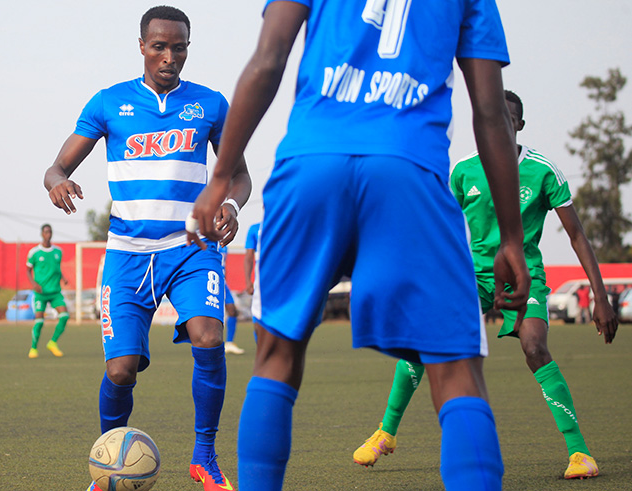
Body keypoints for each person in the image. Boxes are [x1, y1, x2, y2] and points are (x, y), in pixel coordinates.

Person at [188, 1, 532, 489]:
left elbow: (268, 59)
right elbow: (492, 113)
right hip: (407, 166)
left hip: (310, 164)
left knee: (276, 357)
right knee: (456, 373)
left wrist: (220, 175)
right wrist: (511, 237)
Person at [353, 90, 618, 480]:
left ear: (519, 125)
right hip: (468, 275)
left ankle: (578, 451)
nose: (497, 123)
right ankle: (386, 433)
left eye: (506, 118)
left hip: (524, 275)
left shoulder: (542, 170)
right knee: (420, 340)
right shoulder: (463, 171)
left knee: (534, 347)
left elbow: (576, 234)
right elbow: (437, 223)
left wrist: (601, 297)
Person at [43, 6, 250, 491]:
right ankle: (110, 463)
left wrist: (233, 207)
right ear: (142, 46)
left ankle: (204, 457)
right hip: (127, 254)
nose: (169, 57)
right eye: (159, 46)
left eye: (179, 48)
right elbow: (57, 166)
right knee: (121, 370)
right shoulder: (109, 103)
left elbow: (238, 175)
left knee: (209, 337)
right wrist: (57, 181)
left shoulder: (211, 105)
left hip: (191, 249)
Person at [26, 224, 70, 358]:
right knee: (39, 321)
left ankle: (53, 342)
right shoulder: (34, 252)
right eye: (45, 232)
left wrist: (63, 278)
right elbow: (28, 270)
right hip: (41, 293)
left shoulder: (58, 251)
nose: (48, 234)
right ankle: (33, 348)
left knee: (64, 316)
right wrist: (33, 284)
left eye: (50, 232)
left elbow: (56, 268)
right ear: (41, 234)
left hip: (55, 291)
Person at [220, 245, 243, 355]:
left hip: (222, 282)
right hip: (210, 281)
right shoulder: (206, 240)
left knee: (232, 311)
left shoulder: (224, 245)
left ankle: (229, 343)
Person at [242, 223, 260, 296]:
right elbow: (249, 257)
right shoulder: (255, 229)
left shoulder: (283, 226)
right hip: (261, 277)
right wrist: (248, 281)